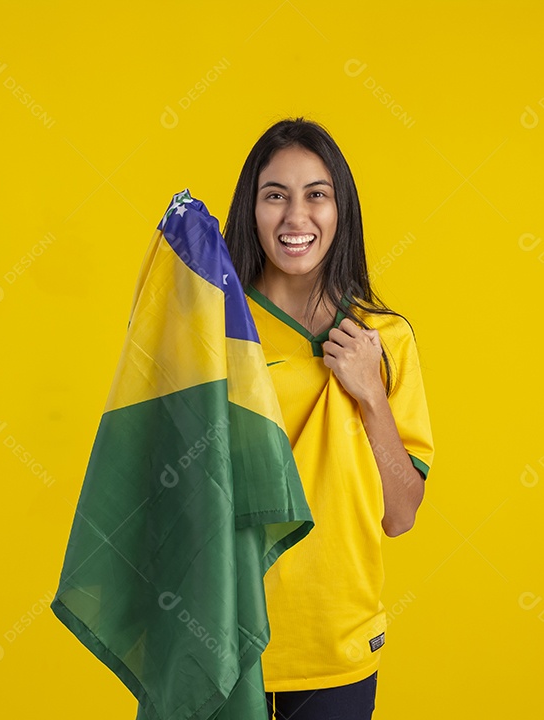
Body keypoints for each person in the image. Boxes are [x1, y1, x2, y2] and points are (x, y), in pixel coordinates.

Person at [222, 117, 436, 720]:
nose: (296, 217)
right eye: (275, 195)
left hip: (335, 642)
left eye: (317, 194)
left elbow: (401, 514)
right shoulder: (216, 332)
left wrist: (369, 393)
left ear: (341, 211)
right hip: (221, 635)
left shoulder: (385, 339)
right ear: (251, 208)